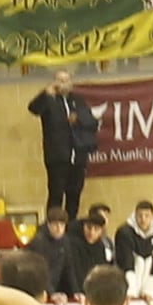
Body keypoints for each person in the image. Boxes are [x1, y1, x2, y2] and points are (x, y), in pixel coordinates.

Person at [26, 67, 96, 224]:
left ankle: (70, 228)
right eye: (59, 80)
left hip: (77, 157)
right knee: (56, 194)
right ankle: (53, 227)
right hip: (57, 157)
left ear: (71, 83)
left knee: (74, 195)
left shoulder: (78, 100)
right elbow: (33, 109)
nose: (63, 84)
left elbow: (92, 121)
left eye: (66, 80)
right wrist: (45, 94)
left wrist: (78, 119)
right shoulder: (49, 100)